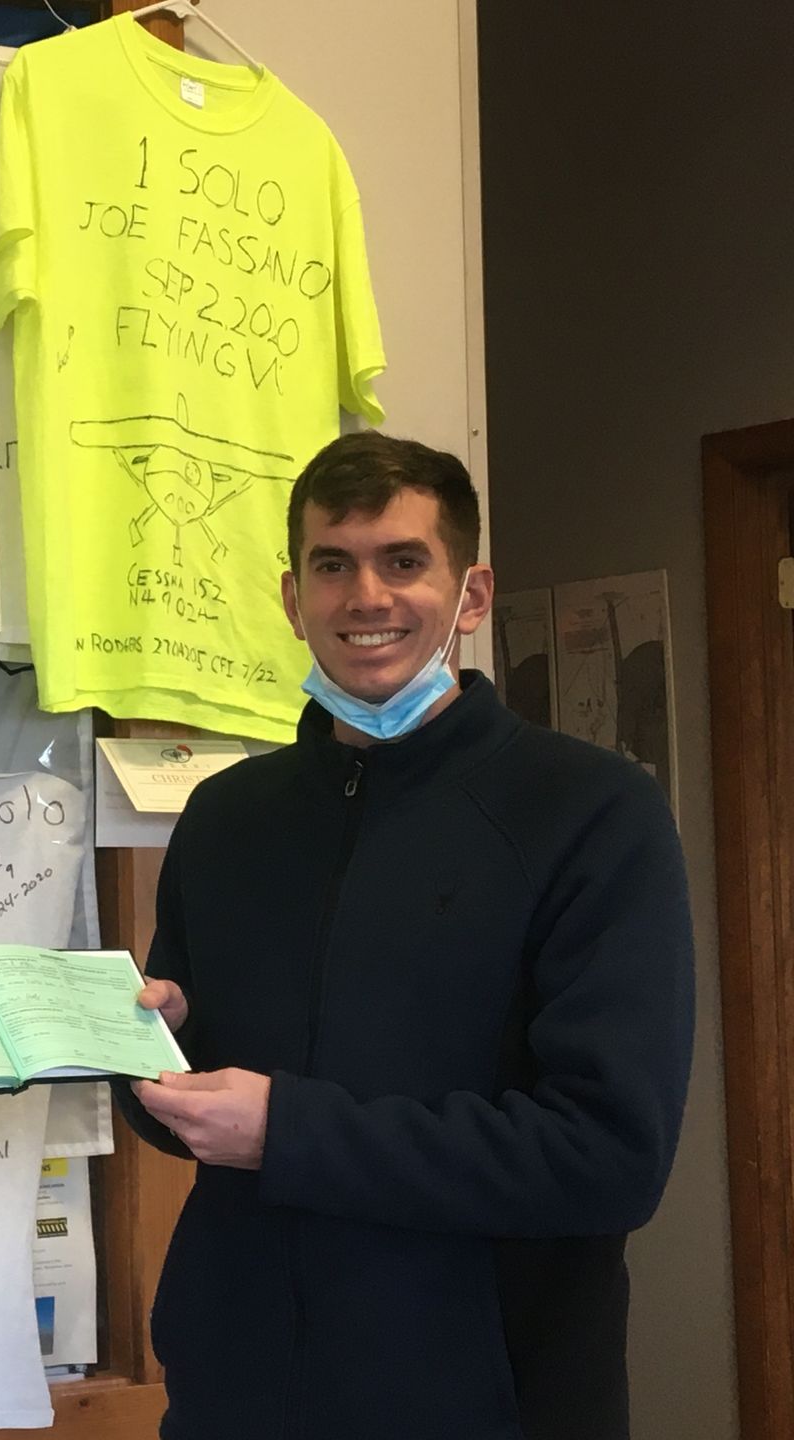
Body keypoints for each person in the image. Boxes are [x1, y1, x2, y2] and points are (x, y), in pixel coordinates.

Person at [119, 432, 694, 1440]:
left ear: (470, 596)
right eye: (332, 565)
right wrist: (142, 1051)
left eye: (403, 562)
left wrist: (288, 1132)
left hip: (489, 1405)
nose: (365, 597)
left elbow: (609, 1158)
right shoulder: (227, 818)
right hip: (236, 1399)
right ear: (293, 598)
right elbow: (195, 1111)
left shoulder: (593, 812)